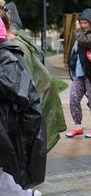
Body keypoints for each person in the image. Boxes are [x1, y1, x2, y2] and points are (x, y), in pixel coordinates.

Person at [0, 8, 66, 152]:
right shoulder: (15, 43)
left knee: (22, 162)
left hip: (27, 115)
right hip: (30, 112)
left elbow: (21, 91)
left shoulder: (14, 49)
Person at [0, 17, 46, 195]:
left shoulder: (7, 58)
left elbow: (26, 101)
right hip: (8, 138)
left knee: (10, 183)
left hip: (10, 136)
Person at [66, 8, 91, 138]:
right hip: (79, 75)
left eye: (85, 22)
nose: (82, 25)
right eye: (81, 22)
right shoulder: (80, 35)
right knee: (73, 99)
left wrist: (77, 30)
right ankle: (78, 126)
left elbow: (86, 42)